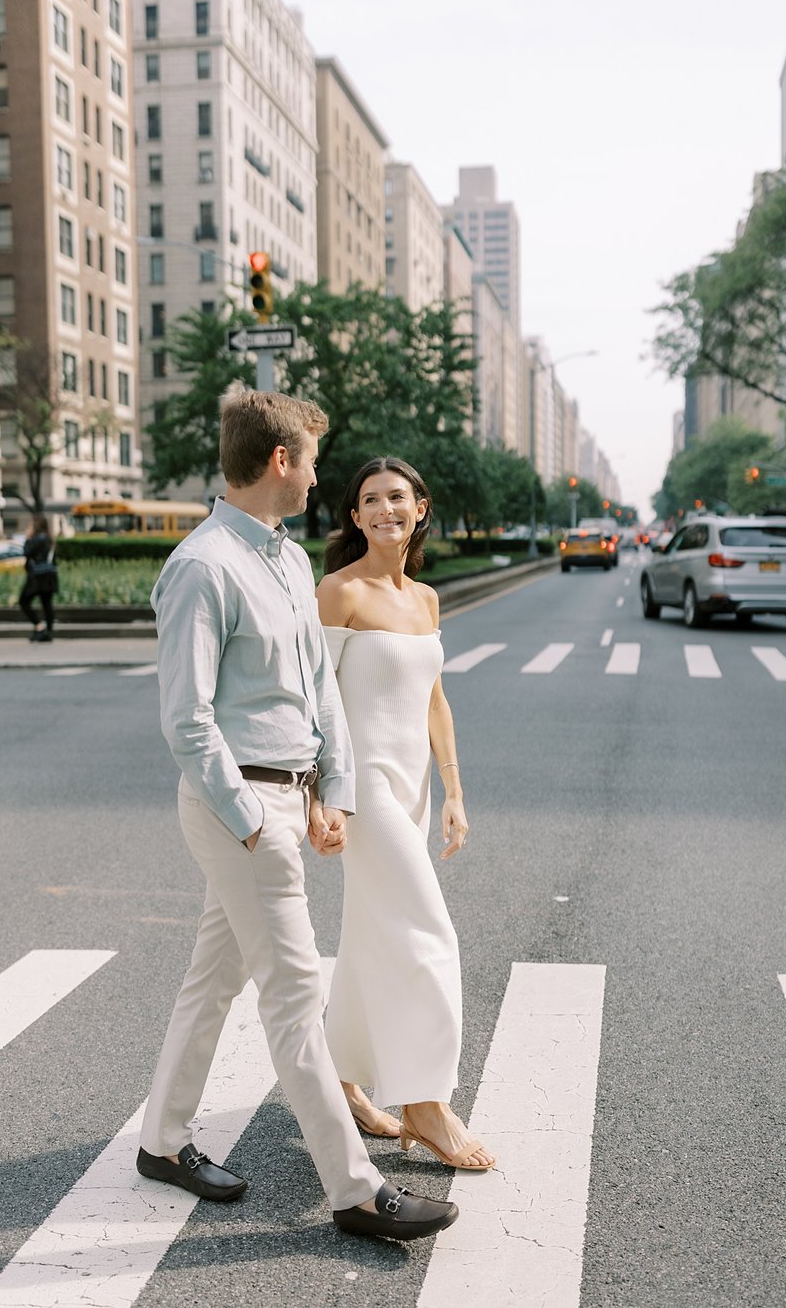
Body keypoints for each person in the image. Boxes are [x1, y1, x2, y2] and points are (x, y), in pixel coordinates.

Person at [136, 385, 459, 1243]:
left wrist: (330, 792)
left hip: (287, 795)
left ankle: (163, 1141)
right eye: (313, 461)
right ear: (281, 461)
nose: (320, 478)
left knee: (214, 980)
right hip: (235, 805)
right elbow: (186, 719)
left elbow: (318, 688)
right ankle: (356, 1192)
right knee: (292, 998)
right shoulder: (203, 566)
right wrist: (251, 819)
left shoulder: (280, 557)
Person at [316, 456, 496, 1172]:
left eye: (398, 496)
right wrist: (318, 796)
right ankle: (426, 1105)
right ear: (355, 518)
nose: (385, 508)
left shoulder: (425, 599)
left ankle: (341, 1079)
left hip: (414, 787)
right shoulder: (339, 591)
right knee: (428, 935)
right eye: (370, 500)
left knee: (368, 935)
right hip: (363, 793)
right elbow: (315, 700)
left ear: (420, 507)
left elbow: (434, 700)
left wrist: (454, 791)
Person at [20, 515, 58, 642]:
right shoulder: (49, 538)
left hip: (37, 577)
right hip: (49, 575)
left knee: (24, 601)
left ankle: (40, 627)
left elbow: (26, 552)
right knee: (47, 604)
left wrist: (27, 538)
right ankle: (47, 631)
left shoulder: (38, 538)